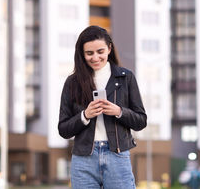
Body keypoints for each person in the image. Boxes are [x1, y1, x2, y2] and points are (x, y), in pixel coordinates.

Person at [58, 26, 147, 189]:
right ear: (82, 54)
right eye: (89, 53)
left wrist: (119, 112)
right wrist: (85, 115)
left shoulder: (126, 77)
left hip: (117, 157)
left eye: (100, 51)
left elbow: (141, 121)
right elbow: (63, 129)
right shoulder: (73, 83)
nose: (95, 57)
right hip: (83, 160)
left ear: (109, 49)